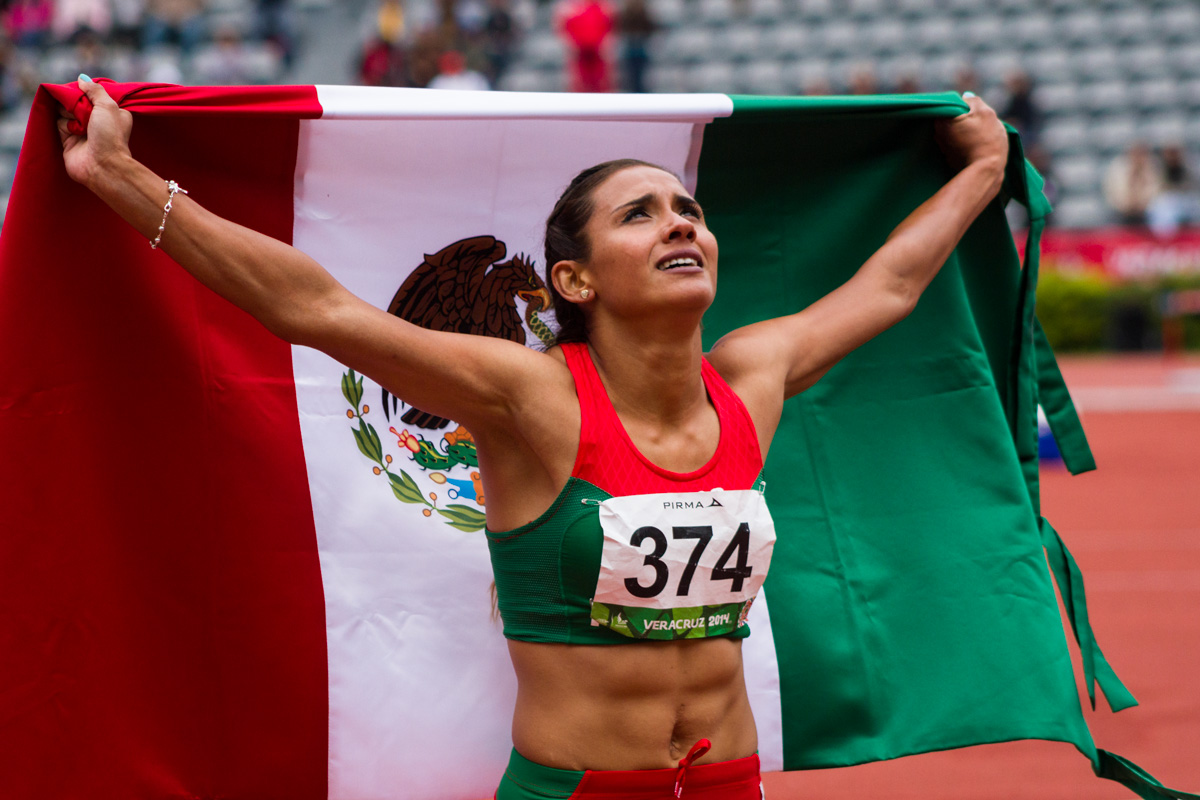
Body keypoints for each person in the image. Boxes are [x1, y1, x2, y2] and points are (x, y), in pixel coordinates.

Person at [57, 77, 1008, 798]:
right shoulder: (530, 398)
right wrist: (123, 178)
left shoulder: (751, 377)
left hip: (726, 777)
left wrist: (983, 171)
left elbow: (890, 286)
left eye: (689, 210)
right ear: (576, 282)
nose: (681, 222)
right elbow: (317, 310)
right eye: (640, 215)